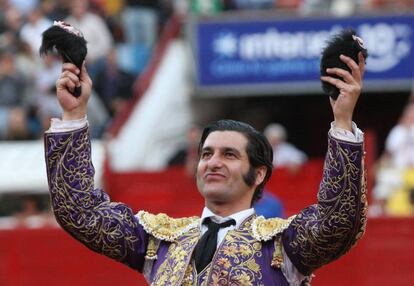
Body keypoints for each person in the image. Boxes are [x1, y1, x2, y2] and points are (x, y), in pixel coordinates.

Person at [44, 52, 367, 285]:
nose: (212, 162)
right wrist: (74, 115)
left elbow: (337, 222)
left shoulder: (282, 246)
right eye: (207, 153)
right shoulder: (161, 241)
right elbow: (80, 213)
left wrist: (342, 121)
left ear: (258, 174)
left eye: (229, 155)